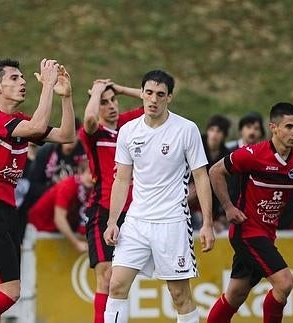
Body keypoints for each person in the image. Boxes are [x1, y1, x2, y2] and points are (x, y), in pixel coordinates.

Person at [0, 58, 75, 322]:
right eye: (14, 78)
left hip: (5, 210)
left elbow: (67, 136)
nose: (23, 81)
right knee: (11, 291)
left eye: (23, 77)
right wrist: (47, 85)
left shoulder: (18, 122)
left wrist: (66, 97)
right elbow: (38, 127)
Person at [102, 70, 215, 323]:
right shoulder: (129, 131)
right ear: (141, 93)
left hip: (172, 221)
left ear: (169, 98)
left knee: (179, 295)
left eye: (160, 94)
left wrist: (207, 223)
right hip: (136, 221)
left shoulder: (186, 129)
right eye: (149, 93)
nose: (153, 99)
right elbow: (121, 179)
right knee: (116, 285)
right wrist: (112, 221)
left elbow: (201, 177)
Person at [206, 102, 293, 323]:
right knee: (284, 282)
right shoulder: (252, 154)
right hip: (246, 232)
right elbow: (215, 171)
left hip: (267, 234)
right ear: (273, 127)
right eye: (289, 126)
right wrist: (228, 207)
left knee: (235, 295)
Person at [79, 78, 142, 323]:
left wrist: (121, 88)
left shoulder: (128, 126)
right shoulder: (93, 134)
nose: (111, 106)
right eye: (104, 103)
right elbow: (90, 120)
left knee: (121, 279)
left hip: (135, 212)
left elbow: (154, 101)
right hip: (103, 212)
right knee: (106, 277)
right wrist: (96, 93)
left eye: (113, 100)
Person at [27, 159, 93, 252]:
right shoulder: (68, 186)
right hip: (37, 229)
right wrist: (76, 243)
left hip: (54, 232)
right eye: (90, 173)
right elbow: (59, 219)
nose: (92, 178)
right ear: (80, 172)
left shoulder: (88, 189)